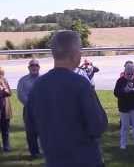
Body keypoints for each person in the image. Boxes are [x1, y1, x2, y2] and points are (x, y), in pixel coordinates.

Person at [25, 31, 108, 167]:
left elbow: (30, 127)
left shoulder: (38, 86)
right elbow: (98, 125)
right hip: (86, 160)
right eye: (80, 49)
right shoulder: (81, 84)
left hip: (53, 160)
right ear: (75, 52)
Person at [114, 63, 134, 149]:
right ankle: (123, 144)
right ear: (124, 72)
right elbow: (116, 93)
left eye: (132, 73)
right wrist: (124, 90)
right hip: (124, 107)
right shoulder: (120, 81)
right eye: (128, 74)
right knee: (125, 126)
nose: (130, 75)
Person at [17, 59, 41, 157]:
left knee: (44, 130)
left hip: (43, 109)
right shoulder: (23, 80)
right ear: (28, 68)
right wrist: (30, 104)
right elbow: (20, 94)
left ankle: (46, 151)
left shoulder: (44, 79)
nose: (34, 67)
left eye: (36, 65)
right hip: (29, 109)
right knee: (30, 132)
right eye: (32, 66)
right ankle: (34, 152)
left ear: (39, 67)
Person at [0, 67, 11, 152]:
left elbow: (9, 93)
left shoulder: (4, 80)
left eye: (1, 74)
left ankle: (6, 146)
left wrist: (3, 88)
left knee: (5, 129)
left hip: (5, 108)